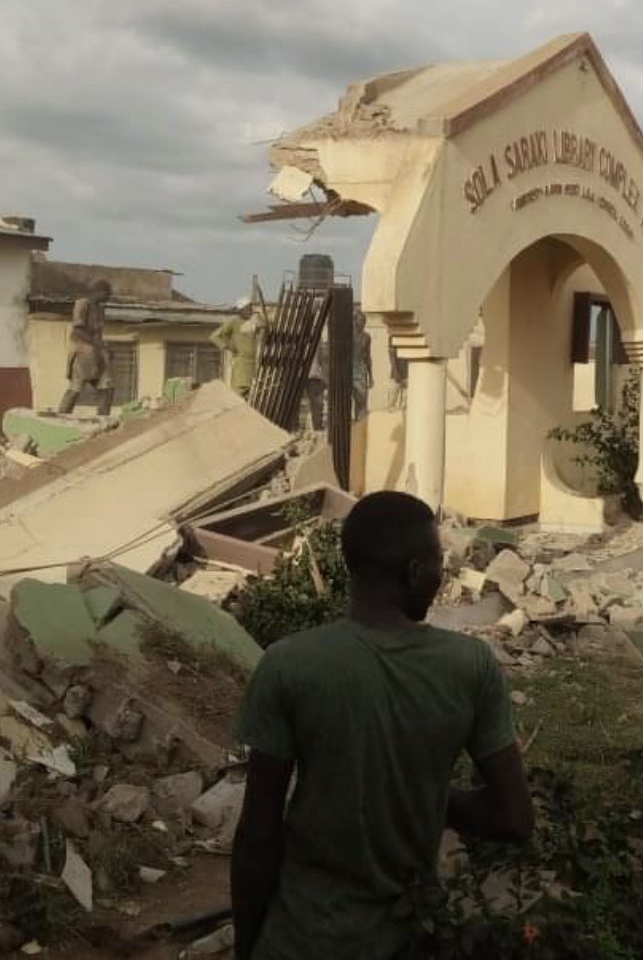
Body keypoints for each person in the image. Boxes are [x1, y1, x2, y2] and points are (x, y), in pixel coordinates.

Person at [230, 491, 533, 960]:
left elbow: (258, 835)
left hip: (300, 941)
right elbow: (515, 819)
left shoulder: (288, 664)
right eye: (437, 564)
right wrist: (430, 799)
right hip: (407, 940)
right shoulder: (471, 666)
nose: (440, 576)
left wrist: (247, 947)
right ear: (414, 572)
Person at [57, 280, 113, 415]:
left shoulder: (100, 310)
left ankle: (102, 420)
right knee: (75, 389)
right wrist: (99, 345)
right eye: (108, 294)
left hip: (96, 356)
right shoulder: (82, 304)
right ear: (100, 292)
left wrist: (105, 351)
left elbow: (98, 335)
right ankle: (61, 417)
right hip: (81, 353)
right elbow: (78, 331)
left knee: (107, 388)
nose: (109, 297)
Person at [212, 297, 261, 398]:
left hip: (253, 363)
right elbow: (214, 336)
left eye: (251, 308)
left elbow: (265, 327)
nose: (250, 310)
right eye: (248, 308)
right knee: (239, 393)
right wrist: (228, 346)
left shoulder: (253, 322)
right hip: (240, 364)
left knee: (251, 395)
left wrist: (259, 316)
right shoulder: (234, 321)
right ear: (241, 310)